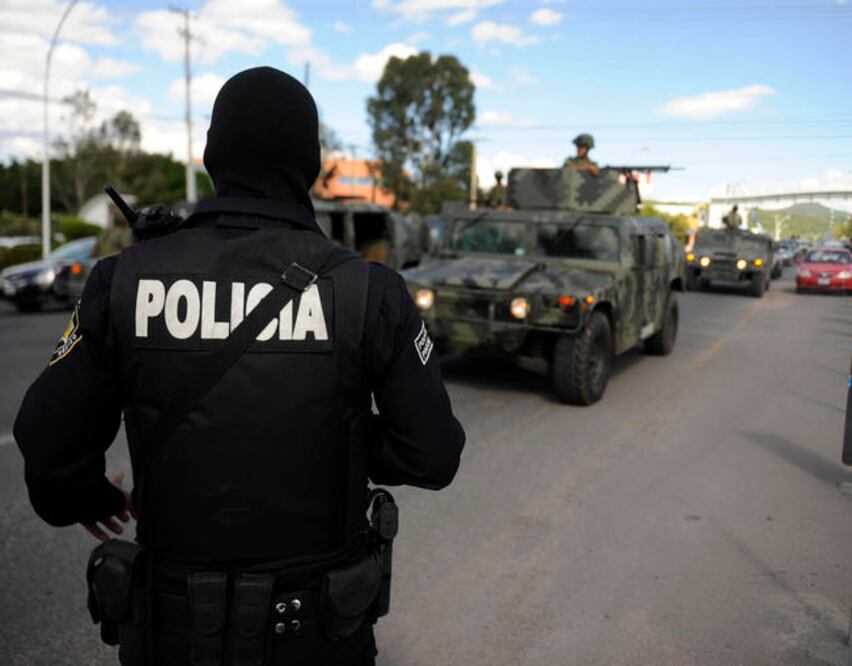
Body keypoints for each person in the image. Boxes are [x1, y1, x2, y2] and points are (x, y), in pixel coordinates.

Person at [14, 67, 465, 666]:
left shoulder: (122, 281)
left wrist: (88, 496)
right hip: (318, 637)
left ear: (210, 155)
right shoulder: (371, 292)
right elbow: (433, 454)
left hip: (171, 635)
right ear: (312, 165)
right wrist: (336, 442)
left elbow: (49, 452)